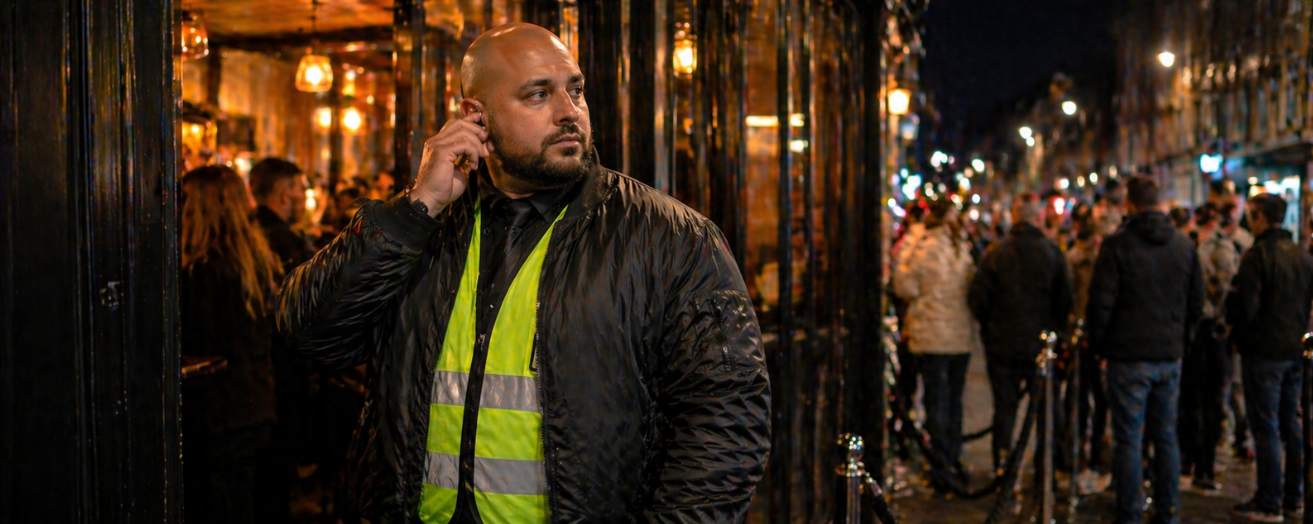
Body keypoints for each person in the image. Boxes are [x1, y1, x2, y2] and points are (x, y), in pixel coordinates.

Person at [276, 23, 770, 522]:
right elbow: (309, 336)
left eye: (575, 90)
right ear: (476, 116)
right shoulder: (425, 225)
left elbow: (726, 421)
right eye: (538, 94)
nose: (569, 112)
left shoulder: (671, 237)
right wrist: (416, 208)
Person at [1086, 176, 1202, 524]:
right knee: (1165, 436)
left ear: (1130, 204)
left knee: (1129, 439)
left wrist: (1099, 346)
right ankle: (1168, 509)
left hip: (1127, 355)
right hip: (1168, 354)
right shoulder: (1183, 246)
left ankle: (1130, 511)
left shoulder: (1117, 246)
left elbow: (1101, 304)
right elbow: (1196, 303)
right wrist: (1180, 340)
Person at [179, 165, 282, 523]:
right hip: (253, 403)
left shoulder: (201, 272)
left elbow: (198, 341)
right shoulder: (255, 262)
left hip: (215, 411)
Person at [968, 192, 1072, 475]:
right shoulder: (1052, 253)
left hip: (1003, 345)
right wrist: (1055, 332)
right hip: (1040, 346)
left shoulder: (996, 254)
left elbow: (978, 299)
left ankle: (1003, 465)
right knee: (1045, 412)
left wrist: (991, 329)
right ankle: (1045, 467)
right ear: (1038, 218)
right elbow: (1065, 300)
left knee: (1005, 410)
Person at [1228, 193, 1313, 522]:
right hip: (1293, 350)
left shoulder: (1257, 256)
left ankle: (1269, 500)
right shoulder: (1302, 256)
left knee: (1266, 426)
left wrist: (1239, 336)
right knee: (1291, 424)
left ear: (1260, 217)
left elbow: (1246, 308)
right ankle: (1294, 496)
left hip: (1263, 352)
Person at [894, 198, 979, 491]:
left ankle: (939, 466)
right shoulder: (962, 248)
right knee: (954, 401)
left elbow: (904, 286)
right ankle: (953, 457)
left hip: (930, 337)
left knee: (935, 401)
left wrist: (909, 245)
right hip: (959, 338)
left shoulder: (922, 247)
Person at [1178, 204, 1238, 493]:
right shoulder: (1202, 245)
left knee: (1201, 399)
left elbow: (1224, 288)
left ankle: (1197, 462)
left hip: (1205, 329)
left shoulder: (1208, 247)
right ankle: (1199, 462)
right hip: (1208, 330)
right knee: (1203, 400)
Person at [249, 157, 316, 272]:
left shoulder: (246, 229)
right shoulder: (287, 244)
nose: (304, 196)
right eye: (302, 189)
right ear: (285, 195)